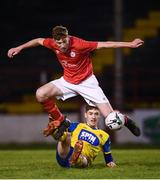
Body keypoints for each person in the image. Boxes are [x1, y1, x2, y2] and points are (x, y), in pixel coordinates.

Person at [7, 25, 143, 139]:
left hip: (87, 83)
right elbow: (38, 40)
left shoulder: (80, 45)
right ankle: (61, 121)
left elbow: (106, 44)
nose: (61, 46)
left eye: (63, 42)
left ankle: (125, 120)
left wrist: (130, 44)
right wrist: (19, 48)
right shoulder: (53, 43)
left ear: (68, 37)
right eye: (58, 43)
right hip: (67, 81)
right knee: (40, 94)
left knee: (111, 121)